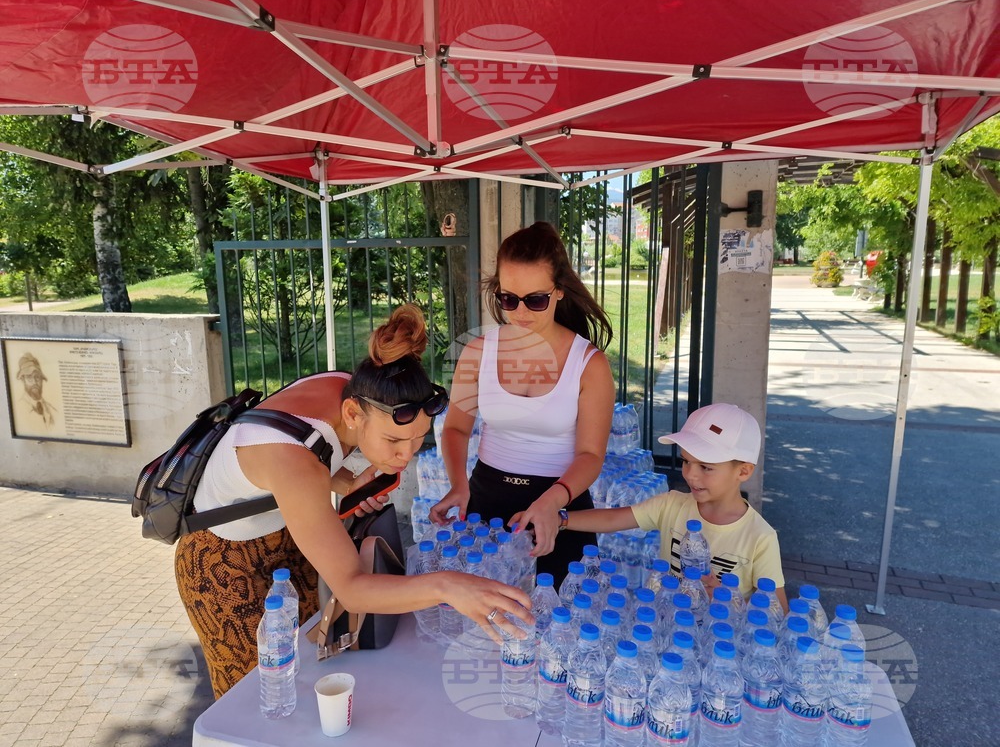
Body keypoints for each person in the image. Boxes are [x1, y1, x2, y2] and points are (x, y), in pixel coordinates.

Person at [174, 304, 532, 698]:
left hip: (285, 532)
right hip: (224, 562)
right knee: (258, 695)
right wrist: (448, 586)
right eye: (394, 441)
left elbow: (313, 449)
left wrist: (347, 483)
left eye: (417, 440)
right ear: (352, 412)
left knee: (316, 665)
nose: (405, 456)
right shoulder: (292, 462)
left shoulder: (355, 386)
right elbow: (352, 588)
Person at [429, 222, 615, 586]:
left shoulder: (589, 364)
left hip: (559, 504)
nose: (519, 312)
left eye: (535, 300)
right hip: (485, 497)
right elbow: (455, 427)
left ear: (559, 292)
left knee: (558, 617)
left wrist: (552, 502)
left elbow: (591, 456)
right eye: (508, 299)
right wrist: (457, 483)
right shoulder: (478, 351)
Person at [525, 402, 787, 610]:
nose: (691, 475)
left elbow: (780, 610)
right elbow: (614, 520)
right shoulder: (673, 505)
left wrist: (731, 602)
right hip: (666, 627)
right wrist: (559, 519)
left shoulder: (760, 537)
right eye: (686, 461)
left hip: (718, 645)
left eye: (706, 467)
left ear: (743, 471)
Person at [14, 353, 57, 430]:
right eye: (29, 377)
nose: (34, 382)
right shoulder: (17, 410)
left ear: (42, 379)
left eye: (37, 376)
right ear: (23, 380)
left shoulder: (53, 411)